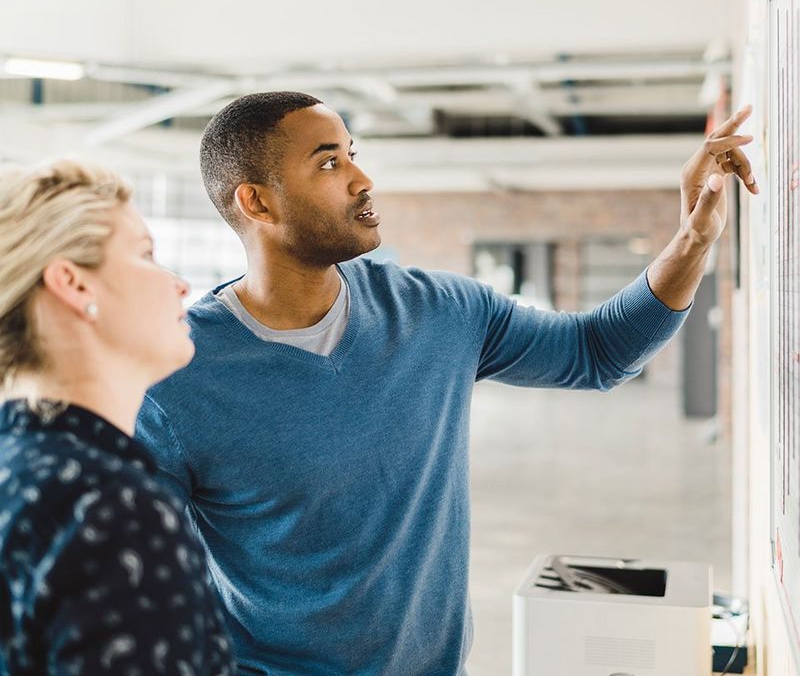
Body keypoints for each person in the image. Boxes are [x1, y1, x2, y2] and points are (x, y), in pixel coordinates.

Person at [136, 92, 757, 676]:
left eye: (354, 153)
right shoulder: (173, 376)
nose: (362, 179)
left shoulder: (438, 312)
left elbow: (597, 352)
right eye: (329, 164)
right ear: (258, 203)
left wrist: (694, 239)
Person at [0, 160, 236, 675]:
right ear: (74, 284)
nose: (179, 283)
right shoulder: (111, 509)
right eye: (146, 254)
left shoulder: (18, 471)